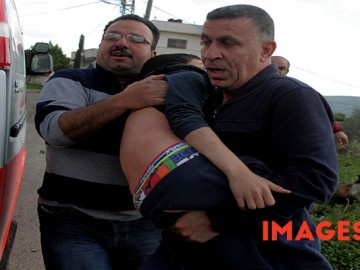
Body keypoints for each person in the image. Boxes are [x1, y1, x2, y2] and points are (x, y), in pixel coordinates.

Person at [138, 5, 338, 270]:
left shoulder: (291, 96)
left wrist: (216, 219)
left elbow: (315, 180)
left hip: (261, 254)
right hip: (182, 252)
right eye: (206, 42)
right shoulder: (208, 96)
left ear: (266, 50)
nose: (210, 54)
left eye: (228, 43)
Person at [34, 14, 168, 270]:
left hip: (145, 221)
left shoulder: (165, 89)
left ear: (153, 55)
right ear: (101, 45)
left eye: (136, 39)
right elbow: (54, 131)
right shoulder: (70, 79)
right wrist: (125, 100)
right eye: (112, 37)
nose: (122, 43)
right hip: (73, 219)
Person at [121, 53, 290, 228]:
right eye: (203, 67)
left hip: (147, 197)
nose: (210, 74)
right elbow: (185, 117)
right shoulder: (187, 76)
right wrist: (240, 172)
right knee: (277, 193)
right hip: (175, 168)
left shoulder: (139, 109)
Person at [271, 55, 349, 146]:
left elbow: (316, 109)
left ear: (287, 71)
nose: (277, 71)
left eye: (281, 68)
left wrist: (337, 130)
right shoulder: (254, 86)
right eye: (273, 67)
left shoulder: (296, 90)